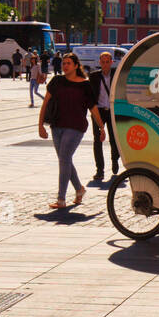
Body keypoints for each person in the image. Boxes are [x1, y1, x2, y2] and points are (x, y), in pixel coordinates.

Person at [38, 52, 107, 210]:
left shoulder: (85, 85)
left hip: (76, 127)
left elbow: (93, 108)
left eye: (68, 63)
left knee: (64, 159)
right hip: (57, 125)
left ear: (76, 66)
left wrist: (101, 127)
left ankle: (61, 199)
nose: (65, 66)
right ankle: (79, 189)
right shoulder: (57, 81)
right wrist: (40, 125)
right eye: (64, 63)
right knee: (65, 160)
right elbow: (45, 102)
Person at [88, 50, 119, 180]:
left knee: (114, 139)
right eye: (103, 62)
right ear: (100, 63)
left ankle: (114, 160)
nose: (105, 64)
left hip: (112, 111)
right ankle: (99, 169)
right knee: (97, 140)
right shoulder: (94, 76)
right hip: (98, 111)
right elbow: (90, 95)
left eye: (107, 62)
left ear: (112, 62)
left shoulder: (117, 75)